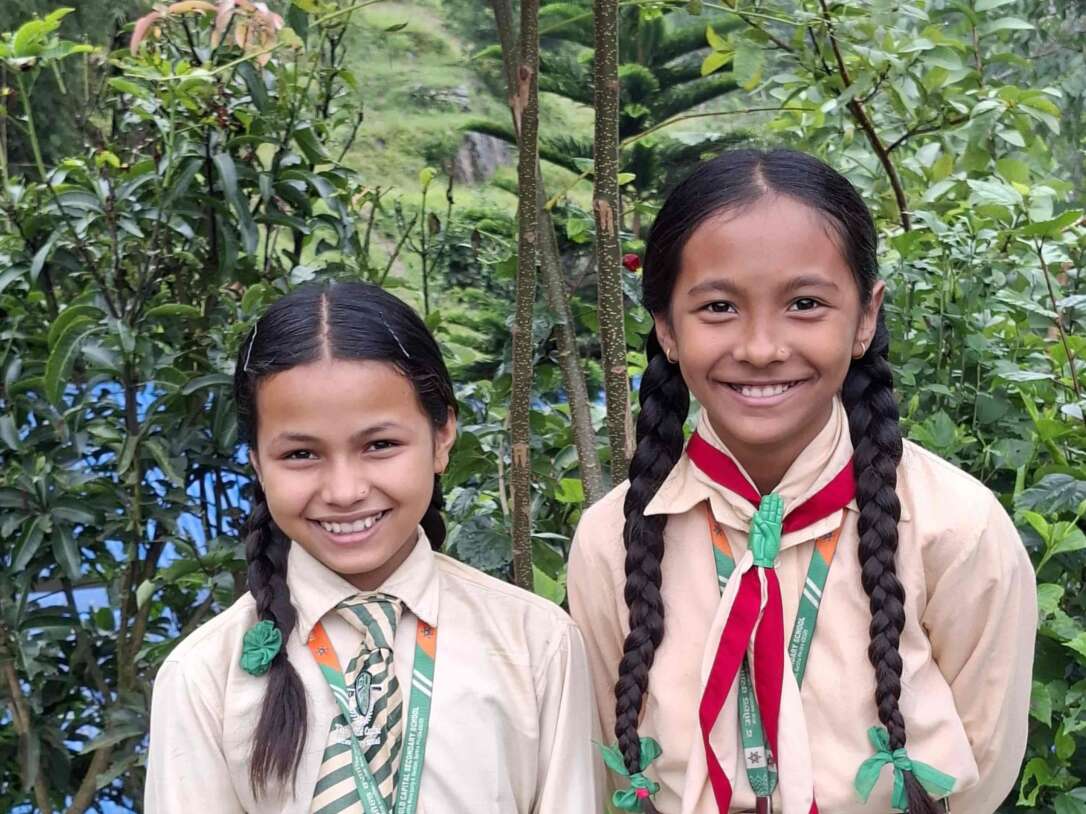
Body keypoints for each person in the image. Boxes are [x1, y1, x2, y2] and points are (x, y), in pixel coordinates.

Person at [568, 149, 1036, 814]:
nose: (761, 348)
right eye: (719, 307)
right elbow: (607, 768)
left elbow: (985, 769)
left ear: (866, 317)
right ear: (667, 328)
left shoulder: (956, 530)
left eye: (806, 303)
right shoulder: (611, 542)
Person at [146, 281, 600, 813]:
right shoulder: (203, 677)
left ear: (442, 437)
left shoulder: (536, 645)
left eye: (380, 445)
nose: (344, 492)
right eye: (300, 454)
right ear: (257, 464)